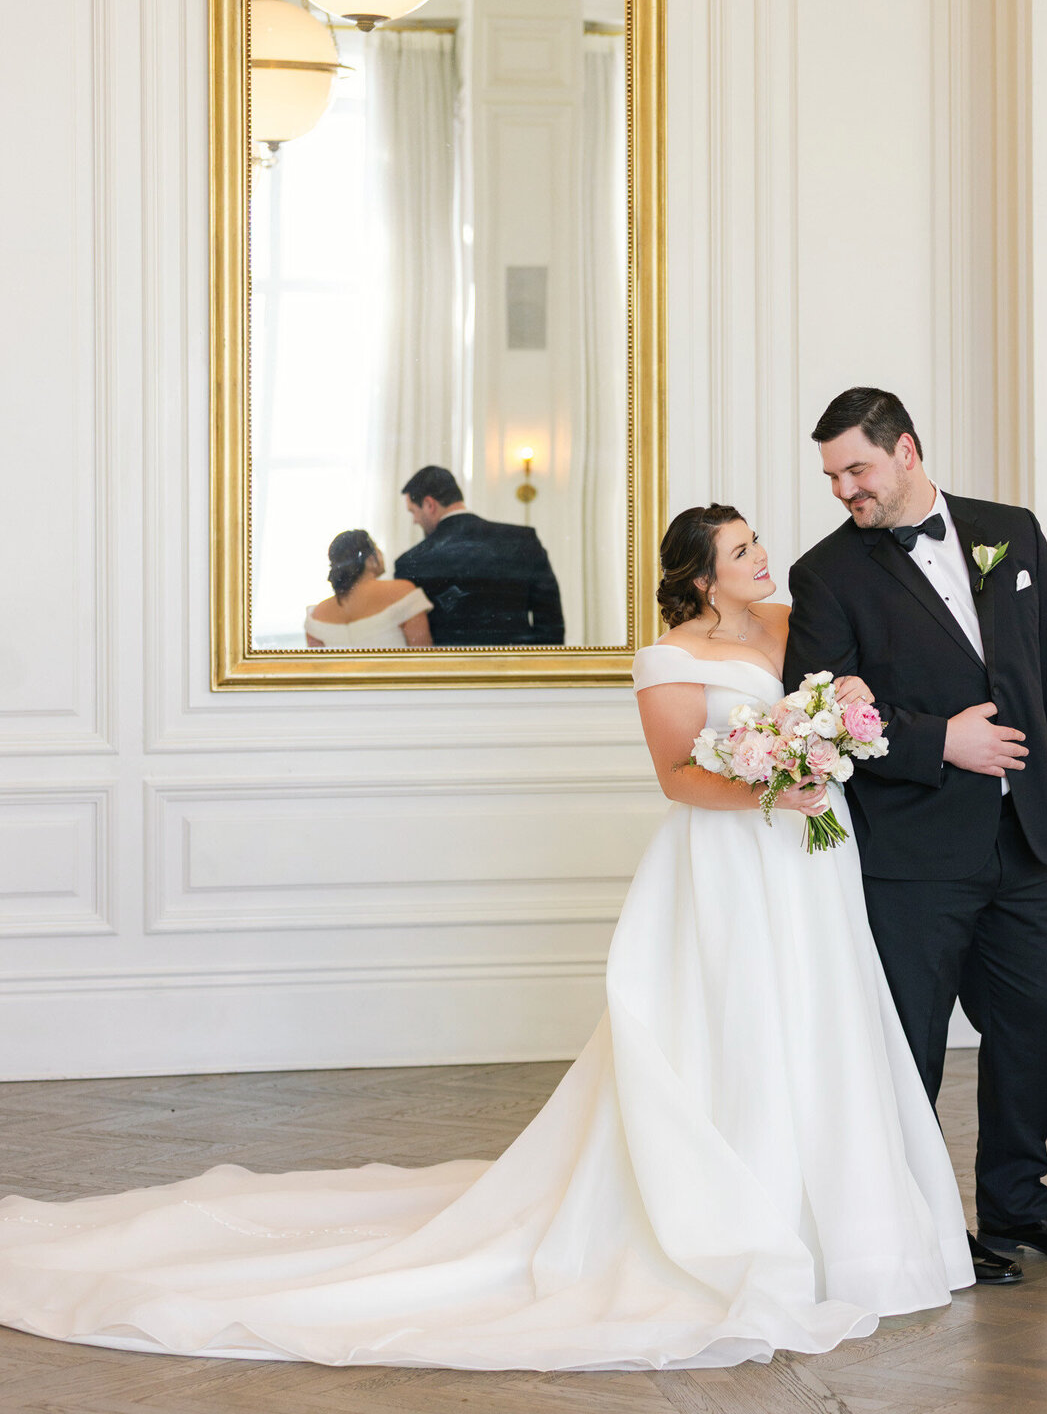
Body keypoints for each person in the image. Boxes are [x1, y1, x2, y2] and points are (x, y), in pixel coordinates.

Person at [0, 504, 972, 1369]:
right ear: (700, 576)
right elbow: (678, 777)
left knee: (824, 1024)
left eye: (758, 543)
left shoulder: (801, 626)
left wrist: (831, 751)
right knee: (737, 1027)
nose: (763, 558)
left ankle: (844, 1225)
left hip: (812, 860)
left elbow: (859, 701)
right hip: (730, 863)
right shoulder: (669, 657)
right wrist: (775, 781)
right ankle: (735, 1217)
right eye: (742, 551)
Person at [784, 387, 1047, 1284]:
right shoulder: (825, 575)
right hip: (914, 853)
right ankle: (927, 1223)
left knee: (1030, 1024)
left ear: (906, 451)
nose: (843, 489)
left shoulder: (1009, 529)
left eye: (856, 468)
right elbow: (817, 713)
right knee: (915, 1045)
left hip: (1027, 837)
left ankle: (1021, 1205)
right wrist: (945, 741)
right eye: (831, 474)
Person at [392, 465, 564, 647]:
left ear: (429, 504)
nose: (414, 520)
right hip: (515, 667)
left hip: (451, 671)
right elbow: (550, 619)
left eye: (413, 511)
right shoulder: (522, 539)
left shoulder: (410, 562)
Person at [304, 530, 432, 650]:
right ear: (370, 559)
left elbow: (319, 668)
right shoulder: (403, 592)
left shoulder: (317, 614)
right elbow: (423, 657)